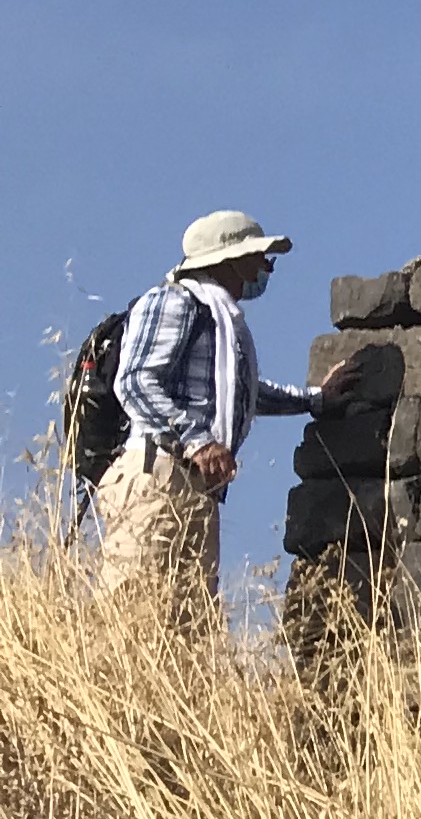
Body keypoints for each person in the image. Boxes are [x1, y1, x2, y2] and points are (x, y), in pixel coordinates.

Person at [94, 209, 321, 609]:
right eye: (259, 256)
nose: (266, 267)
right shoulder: (174, 301)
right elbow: (134, 381)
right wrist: (198, 441)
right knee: (135, 609)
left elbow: (243, 392)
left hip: (193, 482)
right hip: (159, 472)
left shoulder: (217, 318)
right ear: (230, 260)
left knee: (188, 622)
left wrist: (315, 399)